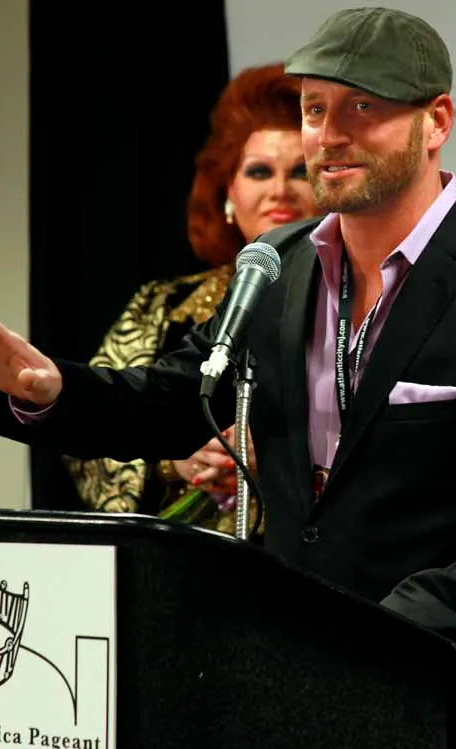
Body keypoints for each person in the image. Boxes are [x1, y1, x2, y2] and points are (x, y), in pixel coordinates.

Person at [0, 7, 456, 745]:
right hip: (292, 700)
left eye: (364, 107)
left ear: (436, 121)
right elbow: (180, 394)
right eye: (316, 109)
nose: (331, 134)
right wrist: (50, 389)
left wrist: (405, 627)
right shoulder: (279, 264)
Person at [62, 62, 319, 536]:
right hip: (180, 563)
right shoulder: (161, 306)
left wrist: (280, 457)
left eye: (301, 172)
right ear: (228, 193)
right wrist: (174, 461)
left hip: (311, 562)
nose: (280, 190)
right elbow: (88, 441)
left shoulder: (360, 301)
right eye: (259, 171)